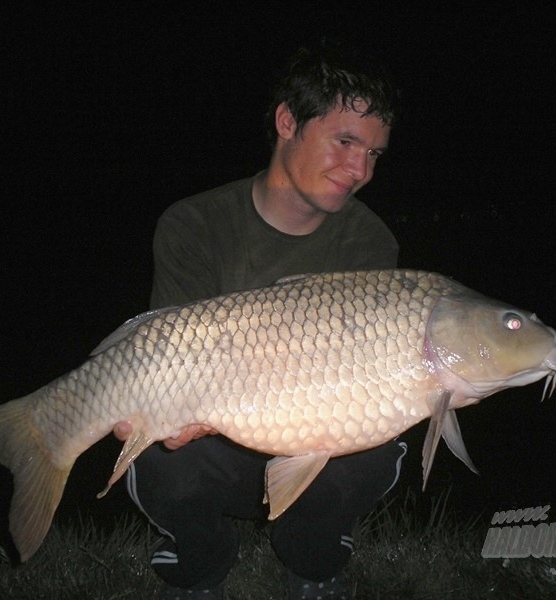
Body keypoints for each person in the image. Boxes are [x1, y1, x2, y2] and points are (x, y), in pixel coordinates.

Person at [114, 40, 407, 600]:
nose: (359, 169)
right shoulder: (193, 224)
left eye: (374, 154)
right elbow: (165, 352)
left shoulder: (369, 240)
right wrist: (167, 409)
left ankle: (313, 559)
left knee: (379, 437)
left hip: (316, 435)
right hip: (219, 445)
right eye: (345, 141)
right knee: (157, 452)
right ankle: (200, 562)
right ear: (286, 122)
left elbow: (369, 382)